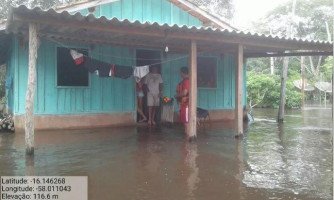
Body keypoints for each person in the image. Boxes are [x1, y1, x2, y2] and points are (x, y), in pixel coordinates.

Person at [176, 67, 190, 134]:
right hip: (183, 104)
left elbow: (185, 92)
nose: (180, 74)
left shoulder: (186, 81)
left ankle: (187, 138)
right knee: (185, 121)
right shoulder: (184, 81)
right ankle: (186, 136)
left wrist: (177, 95)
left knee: (186, 122)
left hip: (186, 104)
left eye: (180, 72)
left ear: (183, 73)